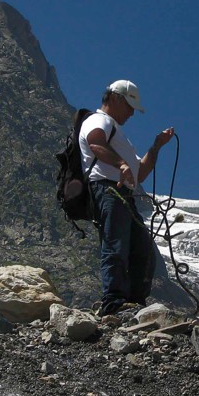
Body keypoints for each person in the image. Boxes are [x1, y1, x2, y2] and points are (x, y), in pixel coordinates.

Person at [79, 79, 175, 316]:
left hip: (122, 194)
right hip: (107, 190)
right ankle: (113, 301)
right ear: (114, 99)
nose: (132, 113)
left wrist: (155, 147)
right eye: (130, 106)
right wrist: (121, 164)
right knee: (116, 244)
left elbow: (139, 173)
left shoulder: (117, 133)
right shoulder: (98, 120)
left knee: (141, 248)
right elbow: (95, 143)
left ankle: (133, 303)